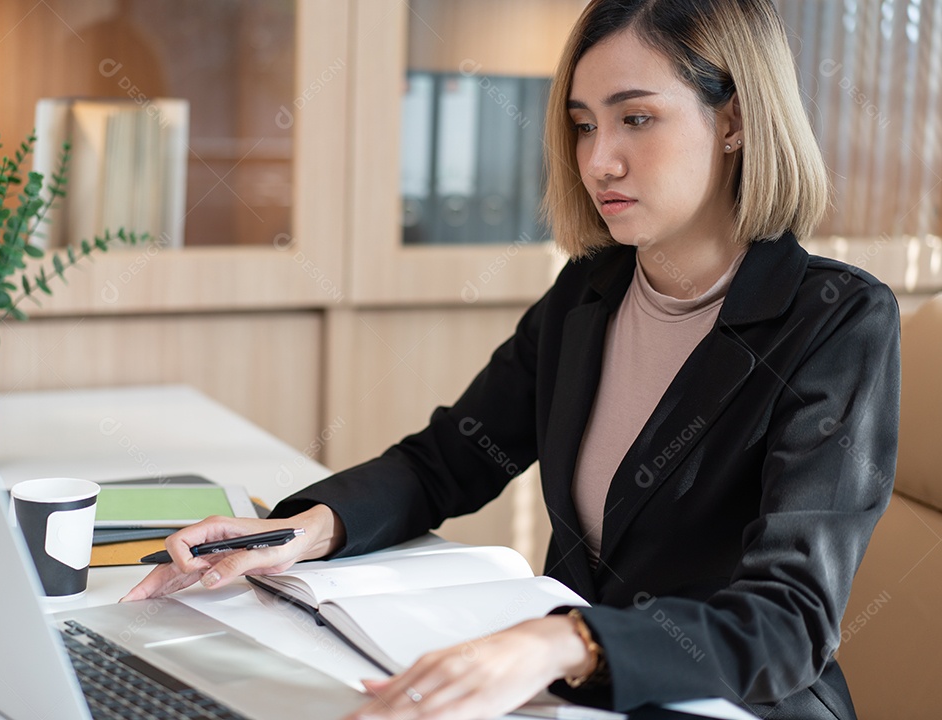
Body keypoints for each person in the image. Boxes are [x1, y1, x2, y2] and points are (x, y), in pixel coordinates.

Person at [122, 1, 900, 718]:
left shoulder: (836, 322)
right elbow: (447, 461)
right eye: (584, 126)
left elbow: (789, 619)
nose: (600, 160)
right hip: (565, 693)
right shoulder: (588, 294)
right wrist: (298, 531)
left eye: (636, 118)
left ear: (733, 121)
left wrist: (564, 641)